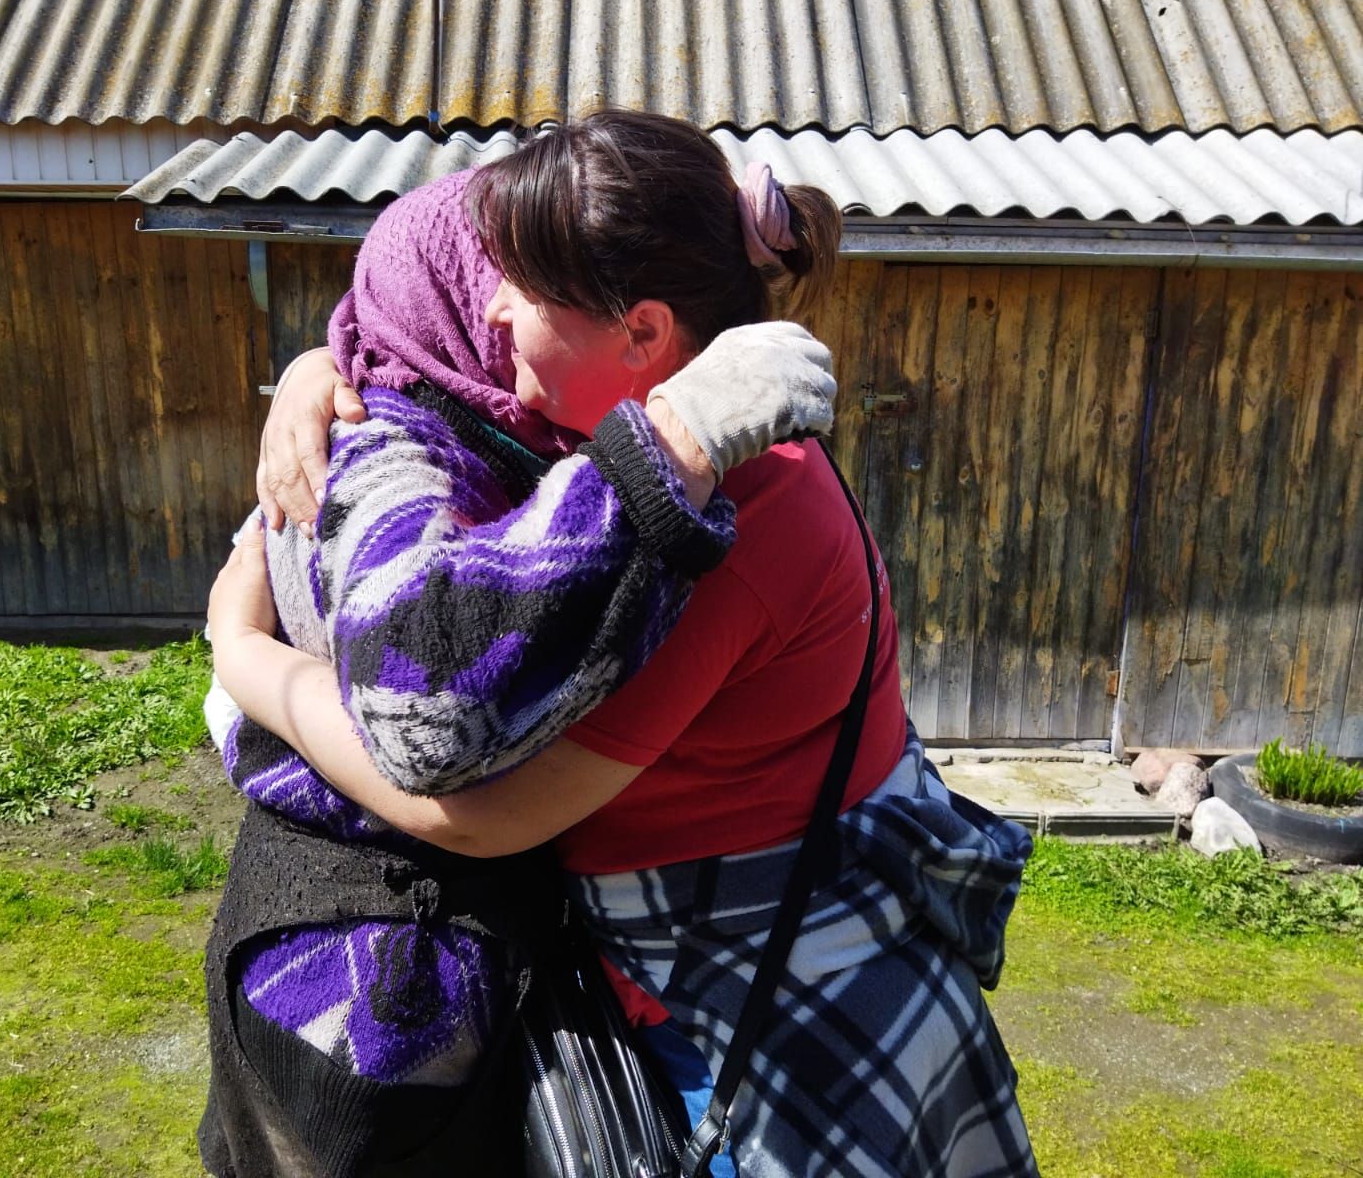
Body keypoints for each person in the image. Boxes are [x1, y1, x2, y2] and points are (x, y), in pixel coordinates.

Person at [214, 110, 1037, 1177]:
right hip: (772, 968)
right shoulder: (644, 461)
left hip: (773, 1018)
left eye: (520, 289)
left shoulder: (726, 509)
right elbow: (444, 373)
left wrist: (245, 660)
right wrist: (330, 370)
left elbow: (471, 816)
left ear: (644, 334)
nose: (491, 313)